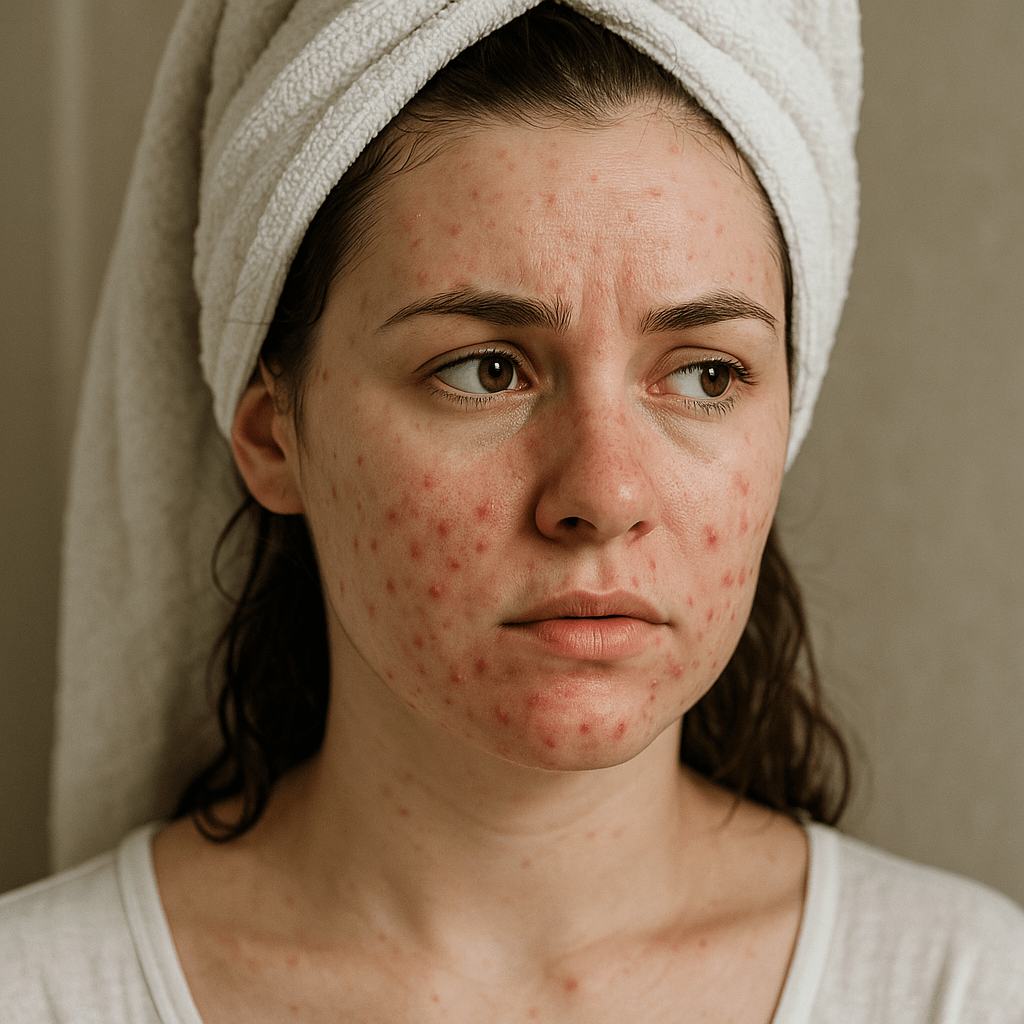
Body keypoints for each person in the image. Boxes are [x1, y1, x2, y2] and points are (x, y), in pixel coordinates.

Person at [2, 1, 1023, 1021]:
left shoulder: (960, 987)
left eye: (707, 374)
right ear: (275, 434)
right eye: (486, 371)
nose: (603, 494)